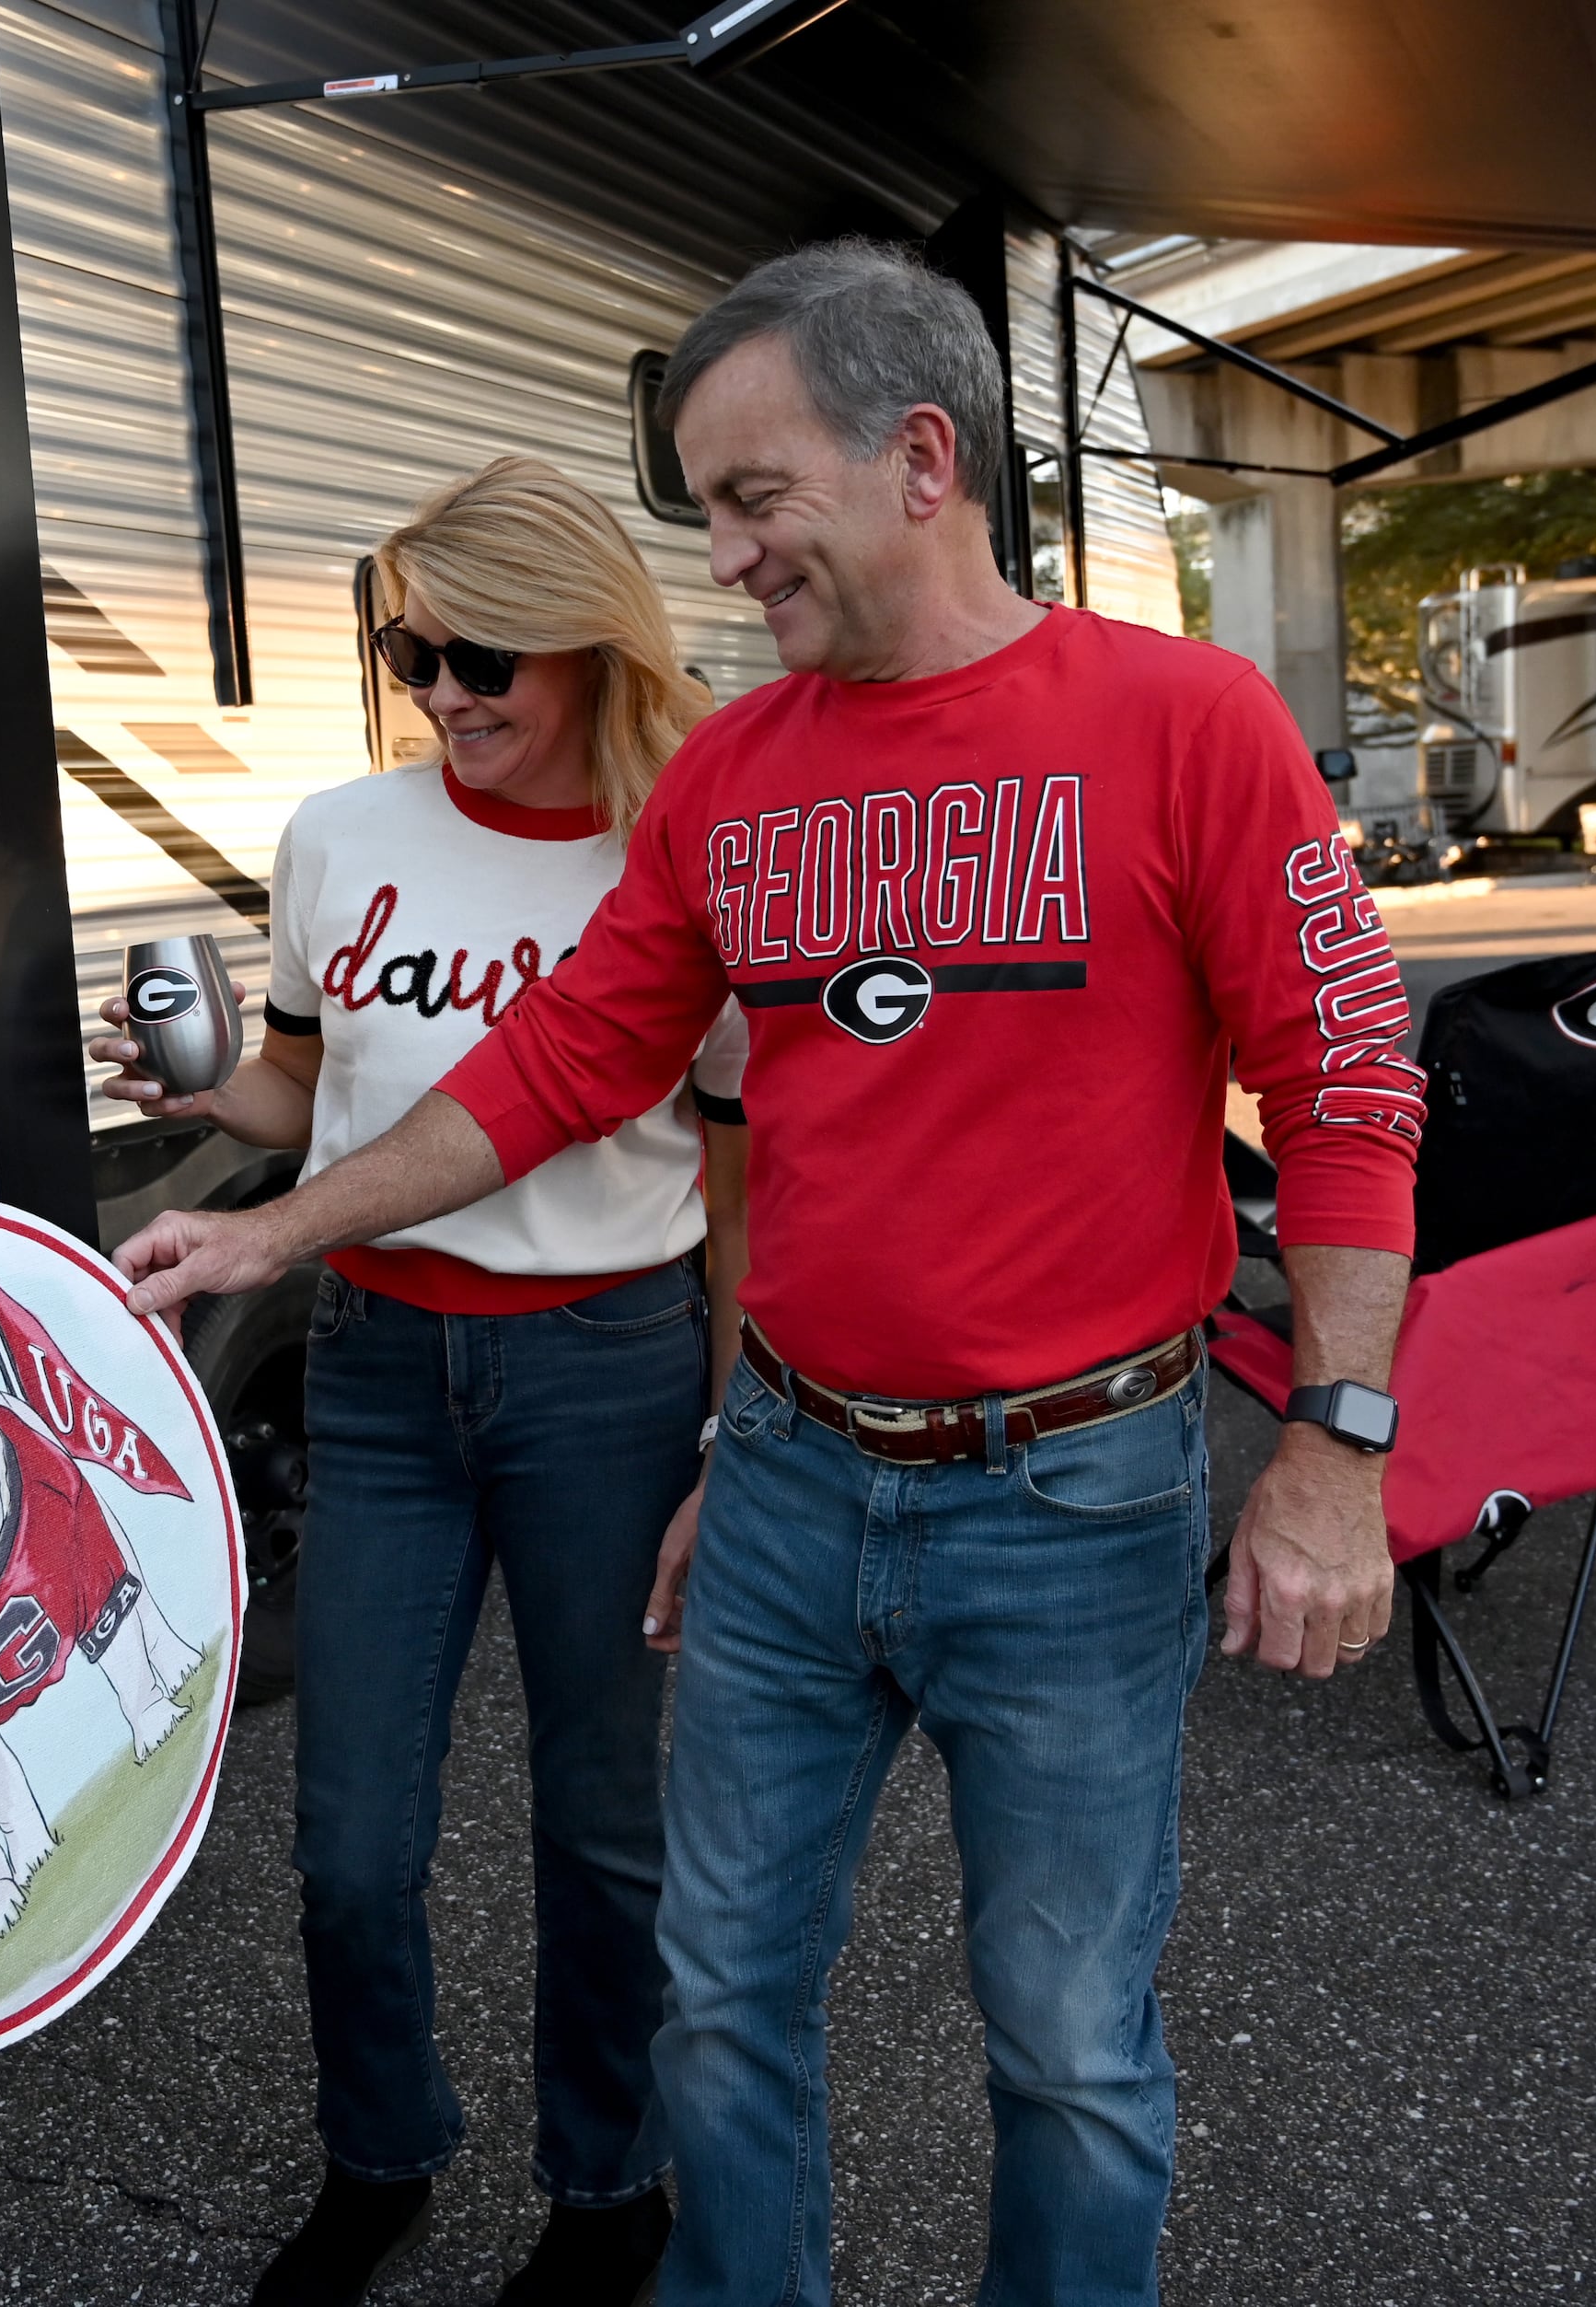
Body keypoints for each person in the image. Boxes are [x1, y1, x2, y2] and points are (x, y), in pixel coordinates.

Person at [114, 243, 1417, 2307]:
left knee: (1068, 2049)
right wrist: (277, 1225)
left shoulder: (1184, 722)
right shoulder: (734, 778)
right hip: (798, 1480)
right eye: (706, 511)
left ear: (921, 457)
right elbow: (558, 1066)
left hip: (1077, 1494)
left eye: (749, 498)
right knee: (717, 2000)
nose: (722, 561)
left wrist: (1337, 1443)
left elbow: (1344, 1082)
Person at [89, 457, 747, 2307]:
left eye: (488, 655)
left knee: (604, 1831)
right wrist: (219, 1101)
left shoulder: (678, 852)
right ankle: (381, 2153)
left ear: (591, 648)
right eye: (414, 651)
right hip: (376, 1374)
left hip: (605, 1375)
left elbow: (741, 1172)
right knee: (349, 1844)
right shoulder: (339, 837)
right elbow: (316, 1091)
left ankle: (607, 2184)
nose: (449, 692)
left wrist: (721, 1426)